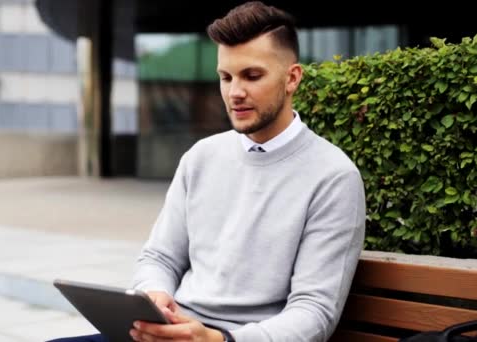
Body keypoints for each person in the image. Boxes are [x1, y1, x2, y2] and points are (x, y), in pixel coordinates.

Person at [49, 1, 365, 341]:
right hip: (173, 331)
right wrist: (154, 294)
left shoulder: (333, 177)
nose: (235, 92)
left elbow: (314, 314)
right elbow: (159, 257)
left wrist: (218, 340)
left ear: (292, 78)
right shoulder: (201, 157)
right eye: (225, 77)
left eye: (252, 76)